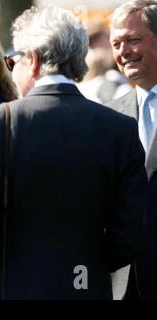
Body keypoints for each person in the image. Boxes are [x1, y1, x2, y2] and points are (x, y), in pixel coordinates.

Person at [0, 6, 148, 300]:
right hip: (86, 287)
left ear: (31, 60)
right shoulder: (120, 128)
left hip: (11, 287)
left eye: (12, 60)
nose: (12, 68)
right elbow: (130, 234)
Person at [105, 0, 157, 300]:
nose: (123, 51)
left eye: (133, 39)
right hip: (123, 283)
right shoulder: (110, 116)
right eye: (116, 43)